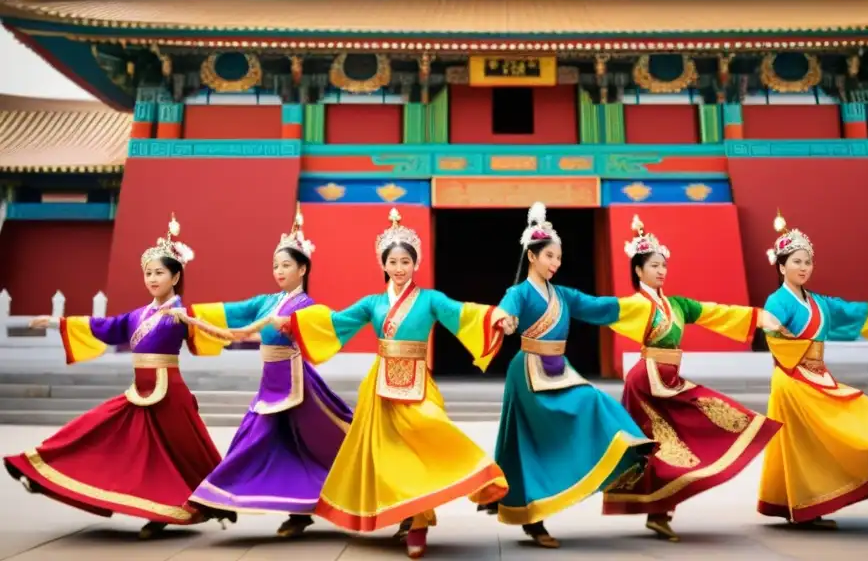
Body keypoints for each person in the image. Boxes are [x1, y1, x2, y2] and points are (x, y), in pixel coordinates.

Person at [281, 207, 512, 559]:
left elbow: (462, 312)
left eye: (406, 261)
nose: (400, 268)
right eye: (393, 262)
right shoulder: (373, 304)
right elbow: (335, 322)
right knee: (391, 457)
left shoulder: (431, 299)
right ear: (384, 265)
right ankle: (413, 520)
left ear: (415, 264)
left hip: (418, 379)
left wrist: (495, 317)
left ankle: (470, 477)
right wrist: (295, 323)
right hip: (380, 386)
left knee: (430, 429)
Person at [3, 215, 232, 539]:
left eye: (159, 272)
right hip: (140, 392)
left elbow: (221, 330)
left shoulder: (185, 313)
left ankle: (179, 508)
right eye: (148, 273)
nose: (152, 278)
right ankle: (43, 469)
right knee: (96, 429)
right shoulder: (137, 315)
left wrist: (193, 320)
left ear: (175, 275)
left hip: (169, 395)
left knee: (179, 457)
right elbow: (103, 327)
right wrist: (56, 321)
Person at [483, 202, 658, 549]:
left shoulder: (562, 294)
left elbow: (597, 307)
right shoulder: (518, 293)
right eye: (549, 256)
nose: (555, 263)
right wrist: (505, 319)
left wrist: (638, 305)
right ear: (532, 256)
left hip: (560, 370)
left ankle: (624, 446)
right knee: (532, 443)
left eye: (558, 258)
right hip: (529, 371)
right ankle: (533, 518)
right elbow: (505, 309)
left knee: (592, 400)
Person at [602, 214, 784, 540]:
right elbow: (597, 307)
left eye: (663, 265)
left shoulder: (678, 305)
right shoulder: (635, 305)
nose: (661, 271)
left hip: (669, 380)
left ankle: (660, 511)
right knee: (659, 448)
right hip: (646, 383)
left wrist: (758, 318)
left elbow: (716, 312)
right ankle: (658, 512)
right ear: (638, 270)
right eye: (654, 266)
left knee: (690, 434)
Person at [183, 204, 353, 537]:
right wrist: (187, 315)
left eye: (286, 265)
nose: (279, 270)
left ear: (302, 269)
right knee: (257, 440)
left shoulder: (309, 307)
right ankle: (237, 500)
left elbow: (329, 328)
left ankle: (221, 498)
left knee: (318, 444)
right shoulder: (266, 302)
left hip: (299, 385)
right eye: (276, 265)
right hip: (271, 385)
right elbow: (231, 313)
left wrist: (294, 325)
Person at [756, 211, 868, 528]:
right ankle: (805, 507)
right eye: (796, 261)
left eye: (808, 261)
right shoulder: (777, 300)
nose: (804, 267)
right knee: (804, 444)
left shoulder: (820, 303)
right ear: (781, 266)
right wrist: (780, 330)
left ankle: (807, 505)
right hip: (793, 379)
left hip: (818, 376)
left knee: (822, 439)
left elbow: (855, 312)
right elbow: (770, 329)